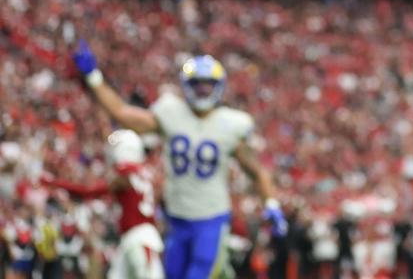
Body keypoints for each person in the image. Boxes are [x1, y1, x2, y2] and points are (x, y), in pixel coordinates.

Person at [71, 47, 288, 279]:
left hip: (211, 220)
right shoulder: (171, 113)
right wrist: (93, 76)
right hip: (177, 220)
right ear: (186, 85)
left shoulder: (231, 125)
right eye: (197, 84)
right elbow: (122, 113)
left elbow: (256, 171)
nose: (203, 90)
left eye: (208, 84)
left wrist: (272, 203)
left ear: (219, 86)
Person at [43, 130, 163, 279]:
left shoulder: (126, 175)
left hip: (138, 238)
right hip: (136, 238)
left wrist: (55, 183)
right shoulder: (146, 173)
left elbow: (87, 192)